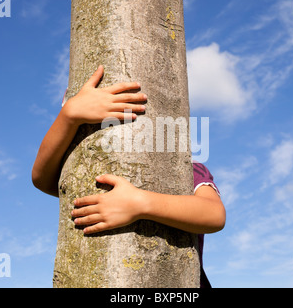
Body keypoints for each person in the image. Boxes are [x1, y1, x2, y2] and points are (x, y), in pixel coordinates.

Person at [32, 65, 226, 287]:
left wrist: (141, 203)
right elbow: (41, 178)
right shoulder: (87, 171)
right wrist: (68, 116)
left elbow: (214, 214)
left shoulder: (188, 168)